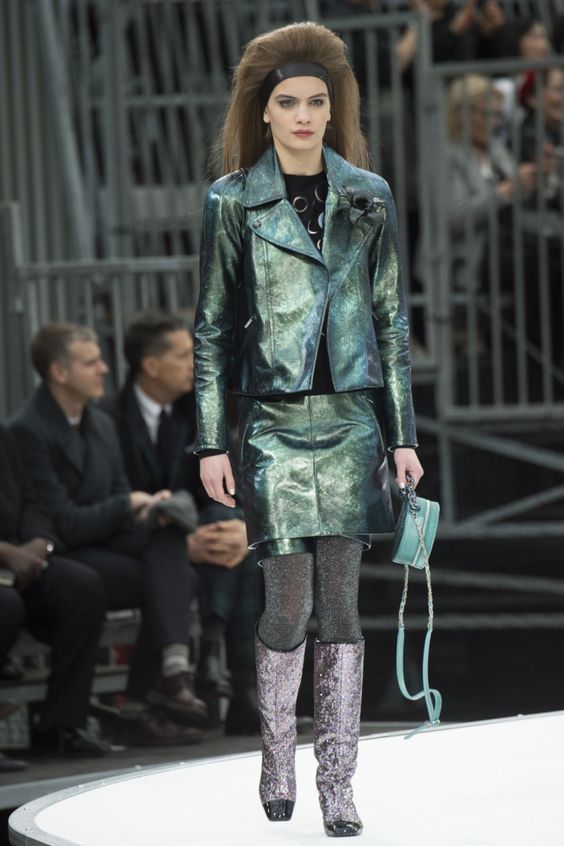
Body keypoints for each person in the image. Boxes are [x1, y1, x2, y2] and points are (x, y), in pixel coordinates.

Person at [194, 21, 423, 838]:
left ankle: (337, 783)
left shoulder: (369, 193)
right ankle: (276, 758)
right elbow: (212, 328)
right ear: (264, 111)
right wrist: (211, 441)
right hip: (274, 426)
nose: (302, 115)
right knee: (288, 606)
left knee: (343, 611)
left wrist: (403, 434)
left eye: (315, 102)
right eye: (287, 102)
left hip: (354, 421)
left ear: (333, 110)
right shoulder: (232, 200)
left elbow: (391, 321)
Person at [10, 322, 207, 747]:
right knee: (166, 577)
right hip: (63, 553)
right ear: (60, 372)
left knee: (170, 543)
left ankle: (168, 678)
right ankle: (147, 698)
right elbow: (61, 522)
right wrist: (127, 505)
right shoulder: (28, 429)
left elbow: (118, 499)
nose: (104, 369)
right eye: (91, 362)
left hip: (104, 543)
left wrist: (148, 510)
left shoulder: (99, 423)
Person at [102, 309, 262, 734]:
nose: (196, 364)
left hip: (192, 536)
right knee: (226, 545)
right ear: (151, 366)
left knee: (235, 536)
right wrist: (183, 544)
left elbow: (226, 487)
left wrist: (241, 527)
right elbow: (111, 506)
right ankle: (238, 685)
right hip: (139, 546)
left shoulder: (197, 411)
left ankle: (216, 656)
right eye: (183, 355)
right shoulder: (109, 420)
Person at [0, 424, 108, 757]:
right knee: (5, 604)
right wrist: (4, 552)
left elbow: (31, 501)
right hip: (7, 561)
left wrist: (40, 544)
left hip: (20, 559)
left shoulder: (3, 435)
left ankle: (60, 725)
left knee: (80, 586)